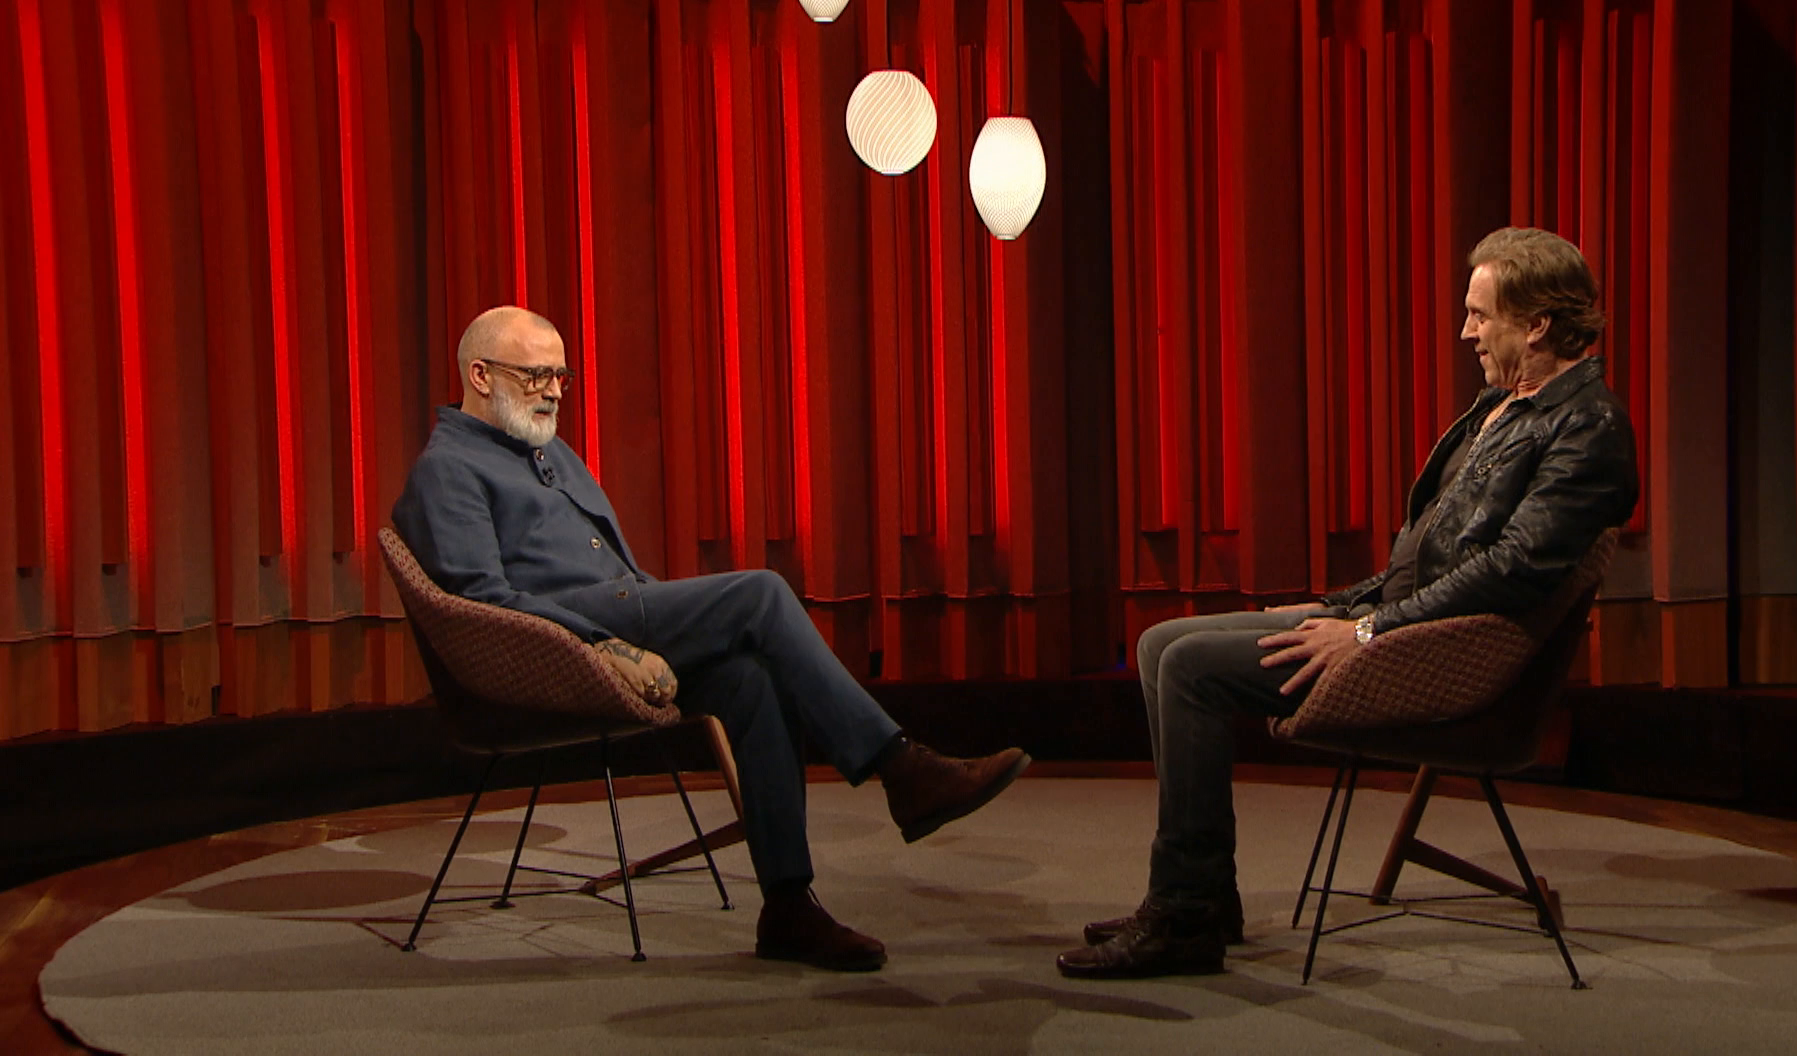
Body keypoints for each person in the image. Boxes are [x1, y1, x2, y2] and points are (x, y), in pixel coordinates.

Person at [1057, 227, 1640, 980]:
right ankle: (1205, 896)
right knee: (1158, 643)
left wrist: (1365, 630)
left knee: (1192, 669)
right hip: (1398, 624)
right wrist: (1336, 606)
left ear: (1537, 324)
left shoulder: (1588, 428)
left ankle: (1184, 916)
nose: (1466, 332)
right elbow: (1421, 558)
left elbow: (1511, 572)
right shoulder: (1502, 406)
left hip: (1441, 657)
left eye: (1480, 314)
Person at [393, 305, 1032, 973]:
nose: (554, 391)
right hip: (560, 647)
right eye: (536, 376)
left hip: (621, 616)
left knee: (752, 679)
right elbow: (481, 600)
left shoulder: (546, 449)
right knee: (761, 593)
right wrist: (604, 645)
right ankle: (901, 767)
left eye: (561, 376)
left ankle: (788, 906)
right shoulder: (448, 469)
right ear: (480, 375)